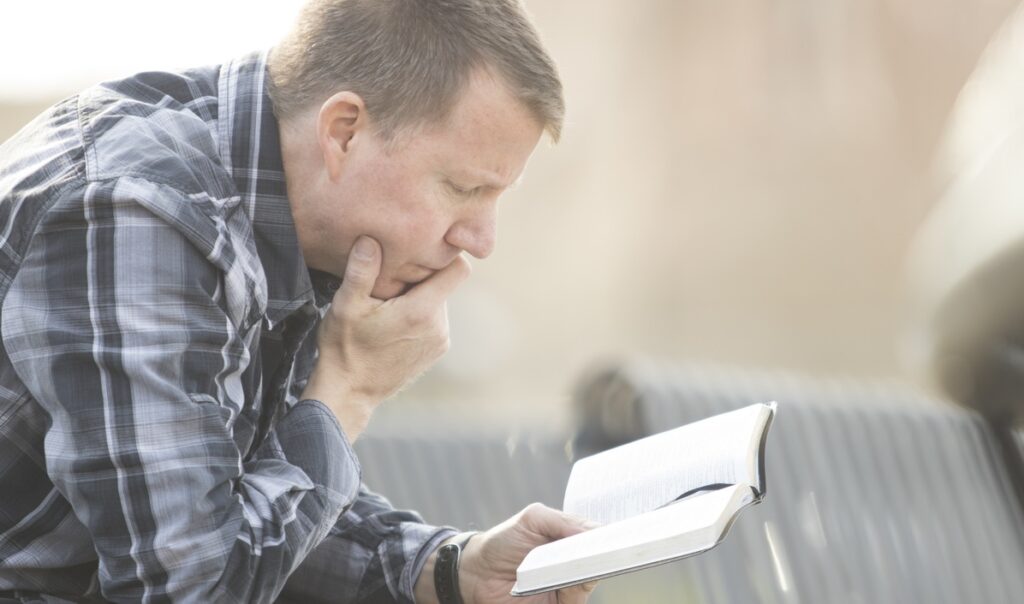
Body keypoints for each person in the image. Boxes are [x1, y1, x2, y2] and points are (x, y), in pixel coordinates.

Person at [0, 0, 598, 602]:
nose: (481, 240)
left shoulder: (286, 212)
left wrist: (446, 568)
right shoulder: (139, 212)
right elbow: (187, 588)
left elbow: (243, 501)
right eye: (463, 188)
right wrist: (349, 390)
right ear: (343, 131)